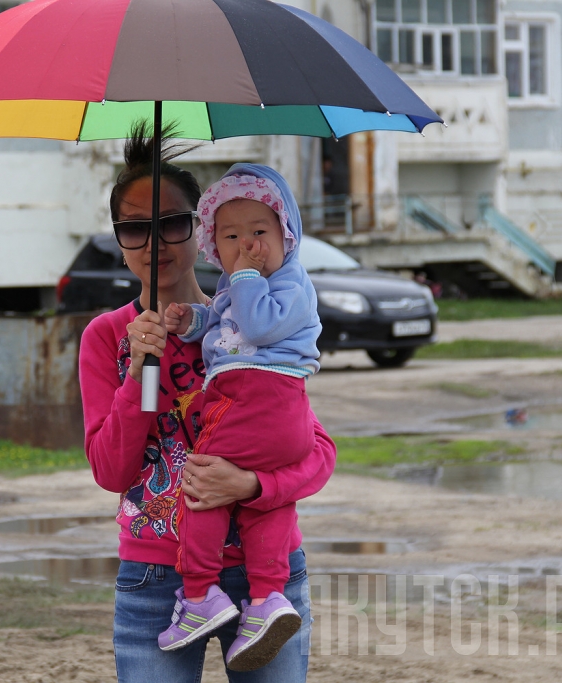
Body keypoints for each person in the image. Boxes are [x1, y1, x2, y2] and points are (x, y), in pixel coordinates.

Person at [78, 122, 336, 683]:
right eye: (134, 229)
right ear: (119, 240)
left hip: (267, 576)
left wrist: (253, 487)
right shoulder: (106, 337)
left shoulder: (249, 325)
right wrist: (141, 368)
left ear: (204, 230)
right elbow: (111, 469)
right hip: (156, 578)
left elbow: (316, 454)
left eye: (171, 223)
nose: (155, 244)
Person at [160, 164, 321, 671]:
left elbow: (255, 323)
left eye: (259, 233)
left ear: (286, 235)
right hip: (279, 414)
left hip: (255, 396)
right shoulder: (239, 285)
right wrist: (193, 321)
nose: (246, 247)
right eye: (231, 237)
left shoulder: (289, 283)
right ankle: (269, 598)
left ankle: (200, 591)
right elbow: (227, 324)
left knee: (204, 483)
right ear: (214, 245)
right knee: (267, 508)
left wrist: (247, 276)